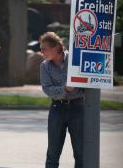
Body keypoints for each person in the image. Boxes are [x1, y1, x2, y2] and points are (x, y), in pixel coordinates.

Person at [39, 32, 85, 168]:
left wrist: (69, 88)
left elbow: (83, 84)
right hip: (57, 109)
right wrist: (65, 89)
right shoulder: (44, 66)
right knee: (53, 152)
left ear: (56, 48)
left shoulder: (74, 60)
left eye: (44, 48)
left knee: (80, 152)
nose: (41, 51)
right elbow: (48, 89)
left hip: (78, 107)